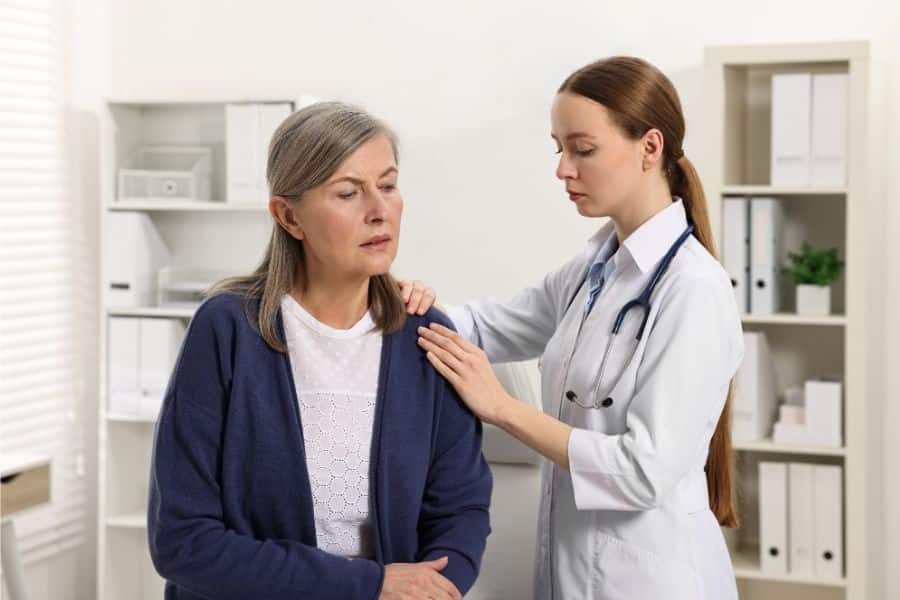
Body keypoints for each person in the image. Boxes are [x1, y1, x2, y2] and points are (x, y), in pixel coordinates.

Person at [411, 56, 744, 599]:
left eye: (582, 149)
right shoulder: (595, 269)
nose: (563, 169)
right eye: (559, 148)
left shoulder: (694, 290)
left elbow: (642, 471)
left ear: (650, 147)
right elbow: (487, 325)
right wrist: (397, 306)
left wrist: (501, 407)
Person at [147, 101, 492, 600]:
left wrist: (432, 589)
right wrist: (370, 586)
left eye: (389, 185)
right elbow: (183, 542)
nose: (379, 210)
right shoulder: (227, 329)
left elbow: (460, 510)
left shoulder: (427, 335)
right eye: (348, 193)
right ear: (289, 217)